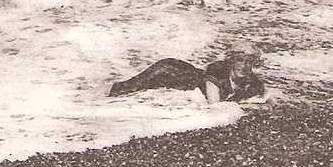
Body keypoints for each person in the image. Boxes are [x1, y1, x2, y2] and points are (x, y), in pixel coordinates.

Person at [108, 51, 265, 103]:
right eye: (239, 60)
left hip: (186, 71)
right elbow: (215, 105)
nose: (243, 66)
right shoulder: (217, 73)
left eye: (248, 62)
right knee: (123, 90)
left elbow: (265, 94)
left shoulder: (250, 77)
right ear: (231, 62)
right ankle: (96, 95)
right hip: (167, 71)